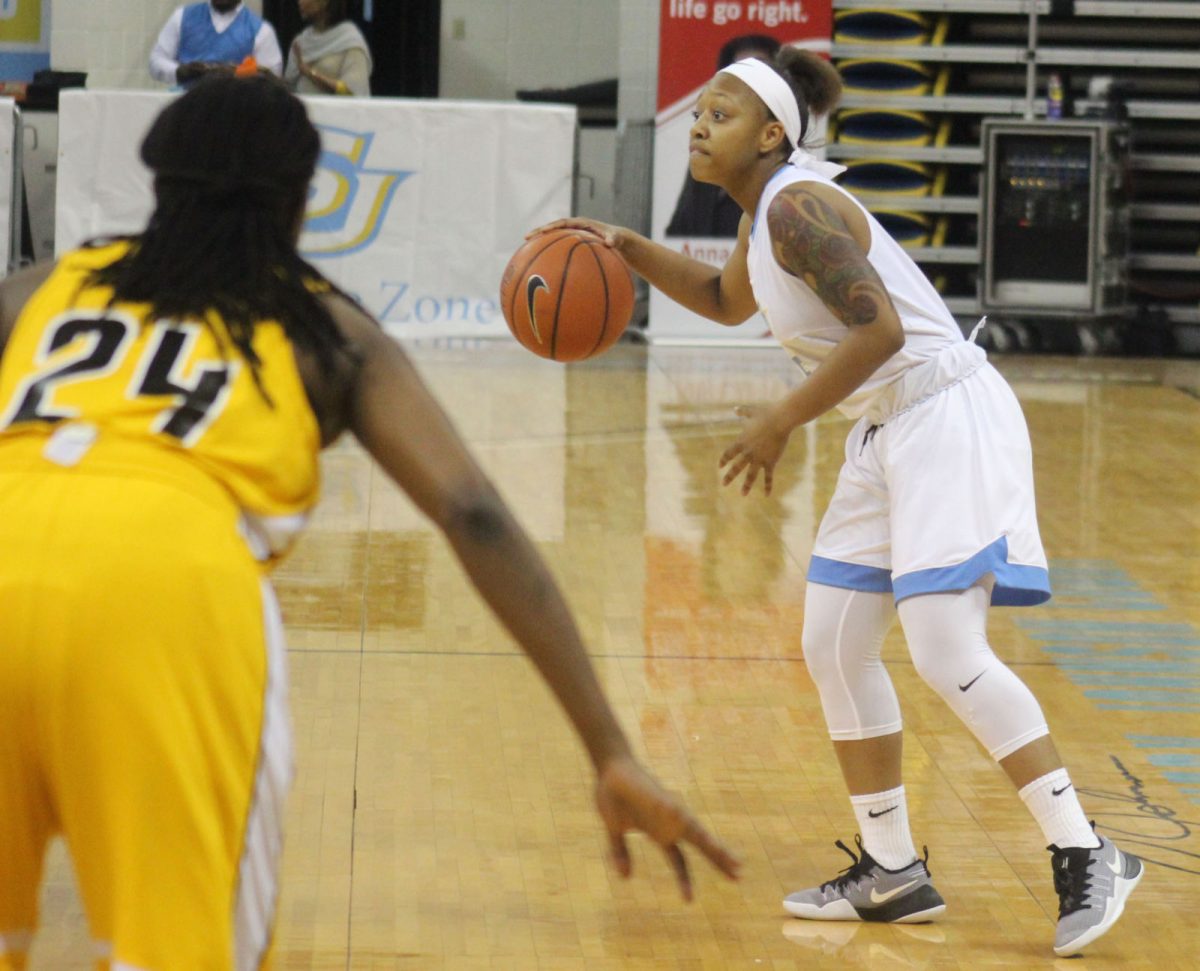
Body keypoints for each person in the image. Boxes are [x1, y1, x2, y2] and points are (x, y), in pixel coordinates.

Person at [0, 75, 739, 971]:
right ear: (303, 198)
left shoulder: (36, 290)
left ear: (156, 174)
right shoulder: (325, 327)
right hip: (167, 597)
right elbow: (474, 513)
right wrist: (608, 746)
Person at [535, 49, 1143, 958]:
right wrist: (628, 248)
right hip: (884, 427)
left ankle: (1087, 850)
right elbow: (721, 298)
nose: (700, 124)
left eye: (723, 112)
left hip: (942, 412)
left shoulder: (797, 205)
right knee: (833, 640)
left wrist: (782, 418)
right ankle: (892, 869)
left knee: (945, 646)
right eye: (700, 111)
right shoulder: (761, 218)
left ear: (773, 134)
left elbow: (883, 328)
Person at [665, 33, 780, 239]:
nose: (697, 130)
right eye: (697, 116)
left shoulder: (791, 203)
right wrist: (627, 242)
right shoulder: (705, 168)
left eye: (719, 115)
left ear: (770, 134)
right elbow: (676, 235)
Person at [150, 0, 284, 88]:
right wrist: (179, 72)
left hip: (235, 114)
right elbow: (156, 60)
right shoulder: (181, 17)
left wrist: (237, 76)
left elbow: (271, 79)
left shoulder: (261, 30)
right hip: (186, 110)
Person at [285, 0, 372, 96]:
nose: (300, 2)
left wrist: (310, 73)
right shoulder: (300, 41)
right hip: (302, 110)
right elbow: (289, 89)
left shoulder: (349, 39)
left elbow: (352, 92)